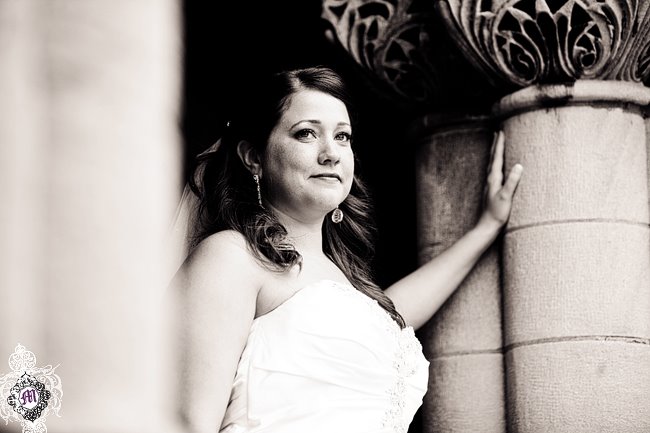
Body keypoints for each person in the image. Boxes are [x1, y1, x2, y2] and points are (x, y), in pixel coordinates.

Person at [169, 66, 523, 433]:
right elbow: (188, 422)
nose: (331, 154)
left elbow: (389, 314)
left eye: (342, 136)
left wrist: (485, 229)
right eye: (306, 133)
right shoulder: (231, 257)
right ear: (253, 157)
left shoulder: (342, 279)